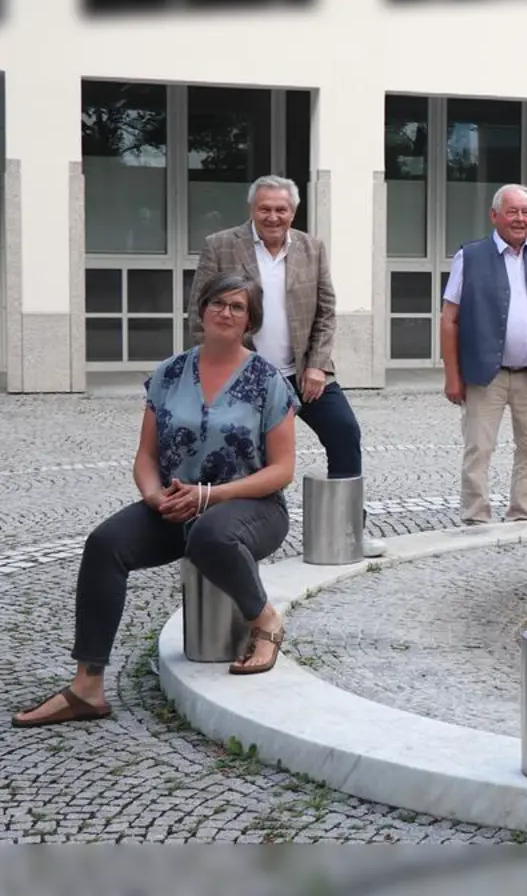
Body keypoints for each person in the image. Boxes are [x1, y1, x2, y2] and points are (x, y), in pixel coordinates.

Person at [13, 273, 299, 728]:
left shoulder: (267, 380)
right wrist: (153, 496)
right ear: (201, 309)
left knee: (210, 534)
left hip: (252, 507)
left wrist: (212, 494)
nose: (225, 312)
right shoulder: (169, 373)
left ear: (250, 320)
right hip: (176, 504)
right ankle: (87, 685)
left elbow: (282, 469)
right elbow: (145, 457)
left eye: (237, 307)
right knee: (105, 544)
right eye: (217, 303)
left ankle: (265, 619)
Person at [189, 175, 385, 558]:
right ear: (252, 209)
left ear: (293, 212)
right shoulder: (221, 246)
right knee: (236, 457)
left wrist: (317, 367)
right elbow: (200, 314)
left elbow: (326, 312)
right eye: (265, 208)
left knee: (345, 432)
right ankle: (225, 543)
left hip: (301, 373)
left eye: (281, 209)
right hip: (243, 377)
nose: (273, 217)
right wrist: (218, 372)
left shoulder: (312, 248)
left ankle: (349, 530)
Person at [440, 183, 527, 525]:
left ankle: (523, 514)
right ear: (494, 215)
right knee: (479, 450)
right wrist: (453, 376)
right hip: (486, 374)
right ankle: (476, 518)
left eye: (525, 212)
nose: (519, 219)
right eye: (512, 211)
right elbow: (449, 318)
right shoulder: (469, 256)